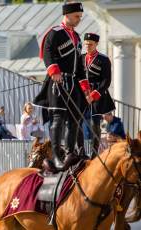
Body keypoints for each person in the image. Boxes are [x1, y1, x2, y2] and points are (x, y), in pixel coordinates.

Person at [33, 2, 87, 173]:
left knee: (74, 119)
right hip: (58, 81)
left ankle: (70, 153)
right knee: (58, 118)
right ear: (68, 15)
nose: (79, 19)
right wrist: (54, 70)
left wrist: (84, 85)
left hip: (73, 83)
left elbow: (79, 64)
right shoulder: (55, 33)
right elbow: (47, 52)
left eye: (80, 16)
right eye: (77, 16)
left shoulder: (77, 37)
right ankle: (57, 155)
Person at [76, 33, 115, 158]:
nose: (87, 46)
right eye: (86, 44)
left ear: (96, 44)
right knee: (78, 122)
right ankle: (81, 151)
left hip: (97, 94)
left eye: (90, 44)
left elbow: (106, 80)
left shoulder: (103, 59)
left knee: (94, 123)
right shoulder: (80, 58)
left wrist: (93, 95)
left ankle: (94, 152)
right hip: (82, 92)